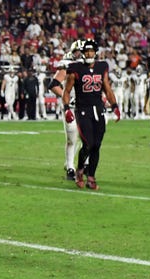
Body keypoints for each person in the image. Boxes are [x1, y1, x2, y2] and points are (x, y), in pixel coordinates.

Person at [62, 39, 121, 190]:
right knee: (88, 143)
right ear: (82, 53)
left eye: (91, 51)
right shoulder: (75, 68)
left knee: (97, 146)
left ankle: (92, 177)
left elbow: (107, 88)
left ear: (95, 52)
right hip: (83, 110)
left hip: (98, 109)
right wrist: (67, 108)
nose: (89, 53)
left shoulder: (102, 66)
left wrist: (114, 105)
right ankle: (80, 170)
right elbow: (67, 91)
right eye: (86, 51)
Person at [48, 40, 83, 181]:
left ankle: (83, 164)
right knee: (72, 138)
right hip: (72, 106)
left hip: (86, 105)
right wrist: (67, 98)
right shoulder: (68, 64)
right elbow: (53, 84)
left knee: (86, 138)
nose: (81, 54)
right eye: (78, 51)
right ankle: (70, 167)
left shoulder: (90, 65)